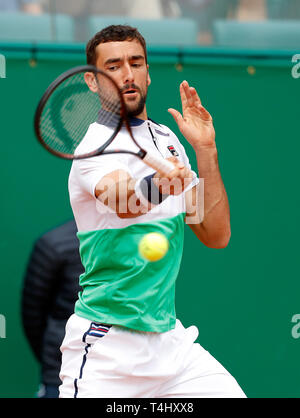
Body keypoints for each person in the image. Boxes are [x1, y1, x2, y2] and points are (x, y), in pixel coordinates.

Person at [59, 24, 246, 398]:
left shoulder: (167, 140)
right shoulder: (92, 147)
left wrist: (206, 151)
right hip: (108, 349)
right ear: (93, 82)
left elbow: (215, 233)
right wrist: (160, 185)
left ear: (148, 72)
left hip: (171, 349)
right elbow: (124, 202)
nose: (127, 74)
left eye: (135, 62)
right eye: (113, 66)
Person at [21, 220, 83, 398]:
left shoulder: (136, 239)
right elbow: (33, 316)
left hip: (132, 376)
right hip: (63, 378)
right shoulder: (53, 244)